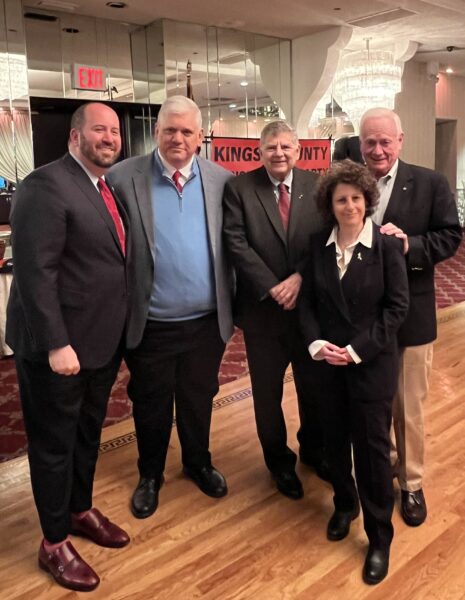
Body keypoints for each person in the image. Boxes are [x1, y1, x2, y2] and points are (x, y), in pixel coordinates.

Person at [6, 102, 130, 592]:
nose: (109, 137)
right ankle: (53, 542)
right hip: (56, 350)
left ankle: (78, 510)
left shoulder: (105, 186)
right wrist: (57, 343)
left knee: (86, 435)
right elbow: (36, 273)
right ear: (74, 137)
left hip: (99, 343)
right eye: (99, 129)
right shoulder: (45, 185)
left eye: (115, 131)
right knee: (54, 446)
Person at [107, 96, 234, 519]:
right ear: (156, 131)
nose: (177, 138)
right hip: (152, 322)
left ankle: (198, 462)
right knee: (151, 401)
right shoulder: (122, 178)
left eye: (186, 132)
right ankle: (150, 474)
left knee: (200, 397)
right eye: (169, 130)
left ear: (200, 137)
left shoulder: (222, 180)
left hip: (205, 322)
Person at [299, 159, 409, 584]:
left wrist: (356, 350)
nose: (349, 206)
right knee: (334, 443)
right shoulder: (316, 244)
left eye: (356, 199)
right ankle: (345, 505)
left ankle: (379, 535)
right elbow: (308, 304)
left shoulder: (385, 247)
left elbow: (396, 309)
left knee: (373, 452)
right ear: (330, 204)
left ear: (368, 201)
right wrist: (314, 344)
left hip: (369, 366)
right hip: (327, 367)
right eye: (341, 199)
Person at [359, 107, 463, 526]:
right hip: (362, 319)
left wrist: (409, 246)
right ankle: (382, 468)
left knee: (409, 405)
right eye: (370, 142)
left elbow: (451, 237)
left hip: (412, 317)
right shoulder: (350, 183)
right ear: (360, 143)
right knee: (373, 403)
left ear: (400, 141)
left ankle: (412, 484)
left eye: (386, 141)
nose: (378, 149)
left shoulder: (431, 183)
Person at [222, 120, 328, 501]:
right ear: (259, 151)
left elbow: (325, 240)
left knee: (313, 388)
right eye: (271, 147)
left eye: (286, 146)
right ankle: (279, 462)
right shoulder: (239, 188)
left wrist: (300, 278)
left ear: (298, 150)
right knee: (266, 396)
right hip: (262, 312)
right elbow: (235, 242)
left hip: (308, 309)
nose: (279, 153)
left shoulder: (317, 187)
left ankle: (314, 451)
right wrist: (272, 286)